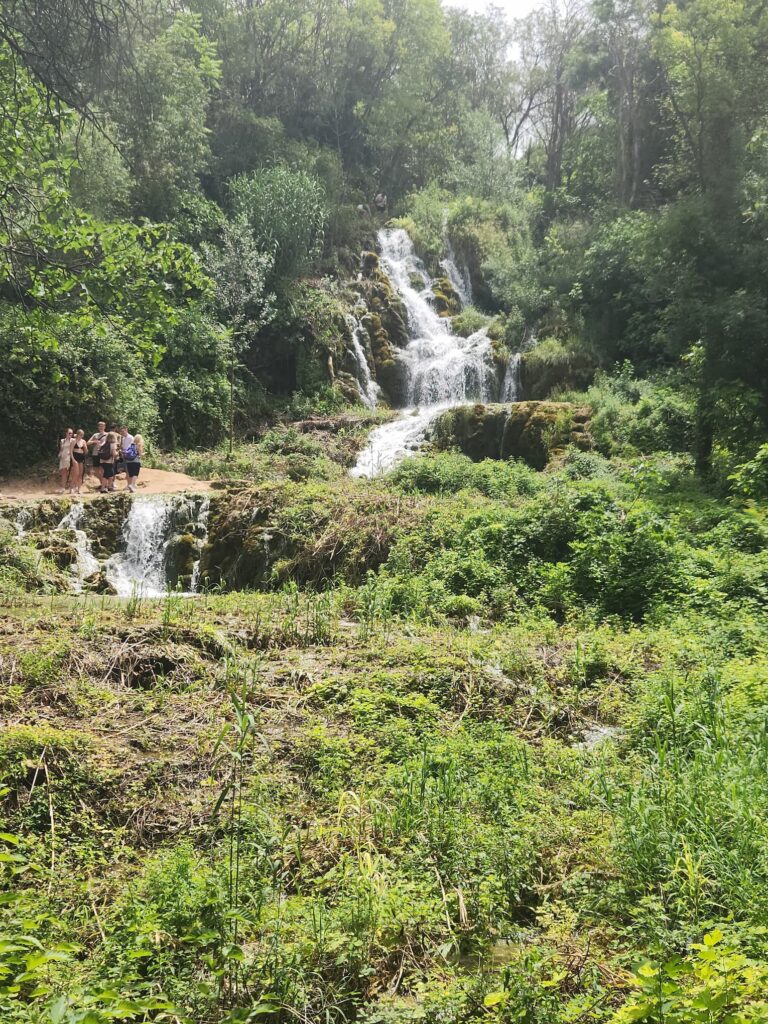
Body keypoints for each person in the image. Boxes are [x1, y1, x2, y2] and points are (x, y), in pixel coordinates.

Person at [87, 421, 108, 490]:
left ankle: (104, 485)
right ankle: (102, 483)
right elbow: (87, 443)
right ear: (98, 427)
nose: (101, 427)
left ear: (105, 427)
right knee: (96, 470)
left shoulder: (107, 435)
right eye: (100, 426)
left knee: (102, 470)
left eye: (102, 426)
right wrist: (94, 441)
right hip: (95, 453)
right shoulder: (95, 435)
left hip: (103, 454)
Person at [70, 429, 88, 494]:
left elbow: (86, 452)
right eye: (80, 434)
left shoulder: (83, 441)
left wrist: (85, 447)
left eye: (82, 435)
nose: (81, 436)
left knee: (80, 474)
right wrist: (73, 459)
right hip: (75, 456)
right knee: (75, 474)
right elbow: (71, 451)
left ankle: (79, 488)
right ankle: (72, 487)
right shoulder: (73, 441)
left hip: (81, 457)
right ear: (77, 434)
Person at [57, 428, 74, 493]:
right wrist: (59, 455)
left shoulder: (73, 440)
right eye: (69, 433)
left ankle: (71, 488)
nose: (70, 434)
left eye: (71, 433)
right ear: (66, 433)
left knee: (72, 473)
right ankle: (63, 487)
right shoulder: (62, 440)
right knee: (64, 473)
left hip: (70, 457)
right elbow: (61, 449)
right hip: (63, 458)